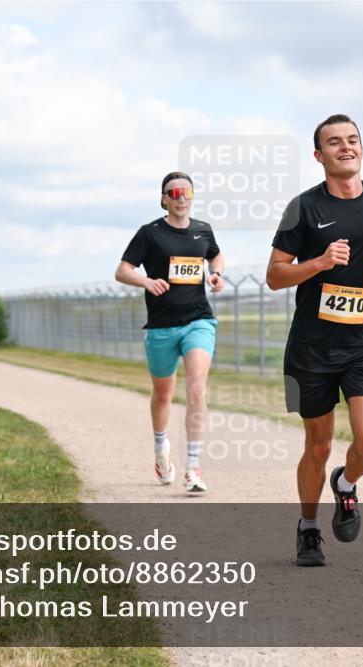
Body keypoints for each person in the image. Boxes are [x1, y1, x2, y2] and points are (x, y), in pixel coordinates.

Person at [266, 114, 363, 566]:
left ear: (362, 149)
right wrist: (320, 262)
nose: (344, 147)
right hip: (310, 348)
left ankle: (345, 484)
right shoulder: (303, 208)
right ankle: (308, 529)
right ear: (318, 155)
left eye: (352, 140)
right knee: (318, 446)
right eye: (333, 142)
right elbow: (274, 276)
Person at [115, 171, 225, 493]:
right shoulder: (149, 234)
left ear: (192, 196)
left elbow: (215, 255)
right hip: (162, 325)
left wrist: (216, 275)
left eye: (185, 191)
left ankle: (193, 467)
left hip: (198, 321)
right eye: (173, 192)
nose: (180, 197)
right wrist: (146, 281)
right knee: (163, 394)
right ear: (164, 198)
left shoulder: (203, 230)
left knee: (196, 387)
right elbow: (122, 270)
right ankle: (161, 451)